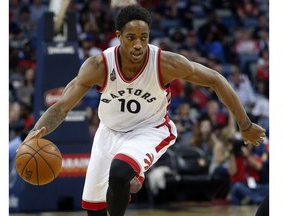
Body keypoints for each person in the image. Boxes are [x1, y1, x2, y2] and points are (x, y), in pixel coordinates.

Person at [21, 5, 266, 216]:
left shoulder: (165, 63)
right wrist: (36, 131)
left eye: (144, 37)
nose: (138, 44)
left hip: (150, 129)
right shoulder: (98, 66)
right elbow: (62, 107)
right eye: (131, 38)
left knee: (118, 172)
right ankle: (132, 174)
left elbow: (215, 79)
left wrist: (245, 124)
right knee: (94, 210)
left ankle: (131, 172)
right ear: (118, 36)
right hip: (108, 132)